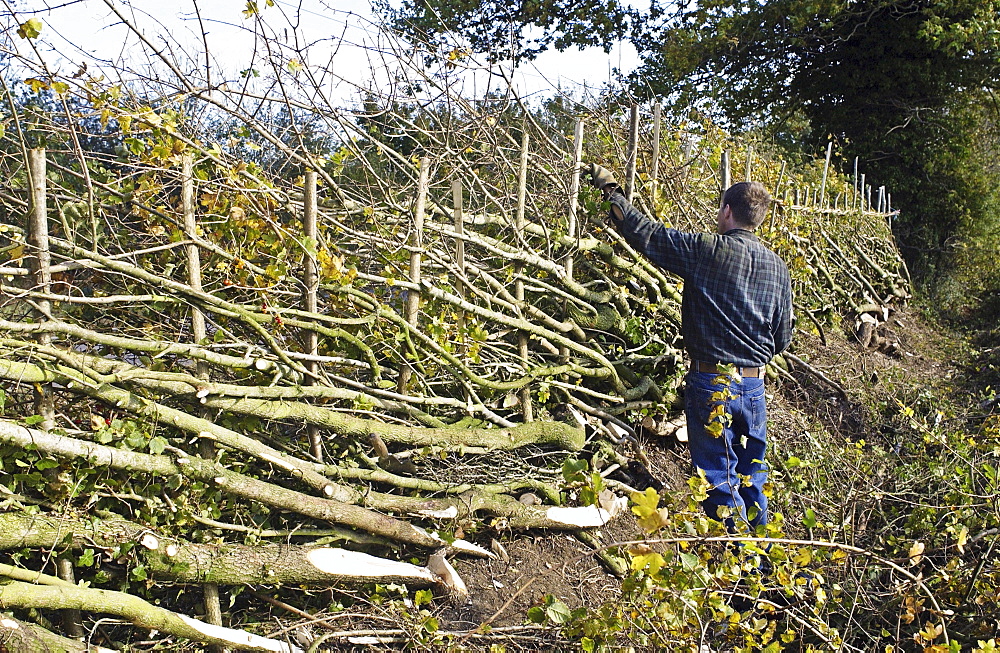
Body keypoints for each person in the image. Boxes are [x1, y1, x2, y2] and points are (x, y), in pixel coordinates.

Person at [586, 164, 793, 534]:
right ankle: (762, 562)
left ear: (727, 211)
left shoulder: (706, 250)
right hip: (754, 387)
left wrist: (610, 190)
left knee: (719, 479)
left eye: (719, 209)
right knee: (752, 477)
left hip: (712, 381)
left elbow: (647, 234)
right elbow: (782, 337)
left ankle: (739, 571)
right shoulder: (778, 268)